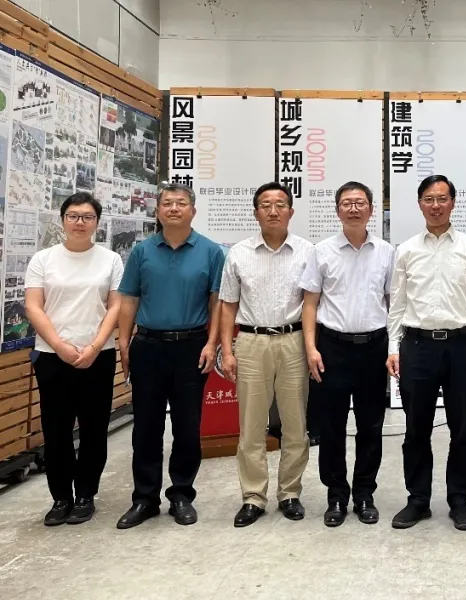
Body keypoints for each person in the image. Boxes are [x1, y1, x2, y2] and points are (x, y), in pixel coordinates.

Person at [386, 174, 466, 531]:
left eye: (442, 199)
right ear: (420, 204)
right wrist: (393, 347)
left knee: (462, 428)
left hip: (462, 346)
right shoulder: (406, 250)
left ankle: (460, 501)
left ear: (453, 203)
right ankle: (417, 500)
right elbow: (397, 304)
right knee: (416, 428)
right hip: (417, 347)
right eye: (429, 199)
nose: (436, 205)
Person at [115, 182, 224, 529]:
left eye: (181, 203)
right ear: (158, 211)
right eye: (167, 203)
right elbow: (129, 299)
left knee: (187, 426)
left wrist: (212, 344)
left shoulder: (211, 251)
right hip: (148, 346)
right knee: (145, 426)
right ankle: (144, 498)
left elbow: (217, 303)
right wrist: (123, 342)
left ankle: (181, 494)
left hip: (192, 347)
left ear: (193, 210)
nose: (174, 208)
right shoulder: (142, 251)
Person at [299, 181, 395, 527]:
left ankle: (365, 494)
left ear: (371, 209)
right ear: (337, 210)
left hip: (373, 348)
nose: (354, 209)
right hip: (332, 348)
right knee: (332, 426)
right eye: (347, 203)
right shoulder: (322, 251)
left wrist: (393, 348)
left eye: (360, 203)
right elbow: (310, 304)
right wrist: (311, 348)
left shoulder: (386, 252)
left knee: (371, 425)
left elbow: (393, 304)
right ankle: (336, 496)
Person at [218, 182, 314, 528]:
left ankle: (290, 493)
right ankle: (253, 497)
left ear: (291, 211)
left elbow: (312, 304)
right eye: (266, 205)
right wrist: (227, 349)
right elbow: (228, 305)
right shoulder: (239, 253)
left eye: (280, 205)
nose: (273, 211)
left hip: (293, 341)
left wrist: (311, 347)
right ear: (256, 212)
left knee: (295, 424)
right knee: (251, 426)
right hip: (251, 342)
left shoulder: (307, 252)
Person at [24, 192, 123, 526]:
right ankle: (60, 498)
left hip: (98, 356)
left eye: (88, 217)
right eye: (74, 216)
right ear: (63, 220)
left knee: (94, 429)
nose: (80, 222)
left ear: (97, 222)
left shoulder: (110, 260)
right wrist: (59, 345)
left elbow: (115, 306)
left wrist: (94, 347)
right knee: (56, 431)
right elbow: (34, 306)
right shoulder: (43, 259)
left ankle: (85, 496)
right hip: (52, 356)